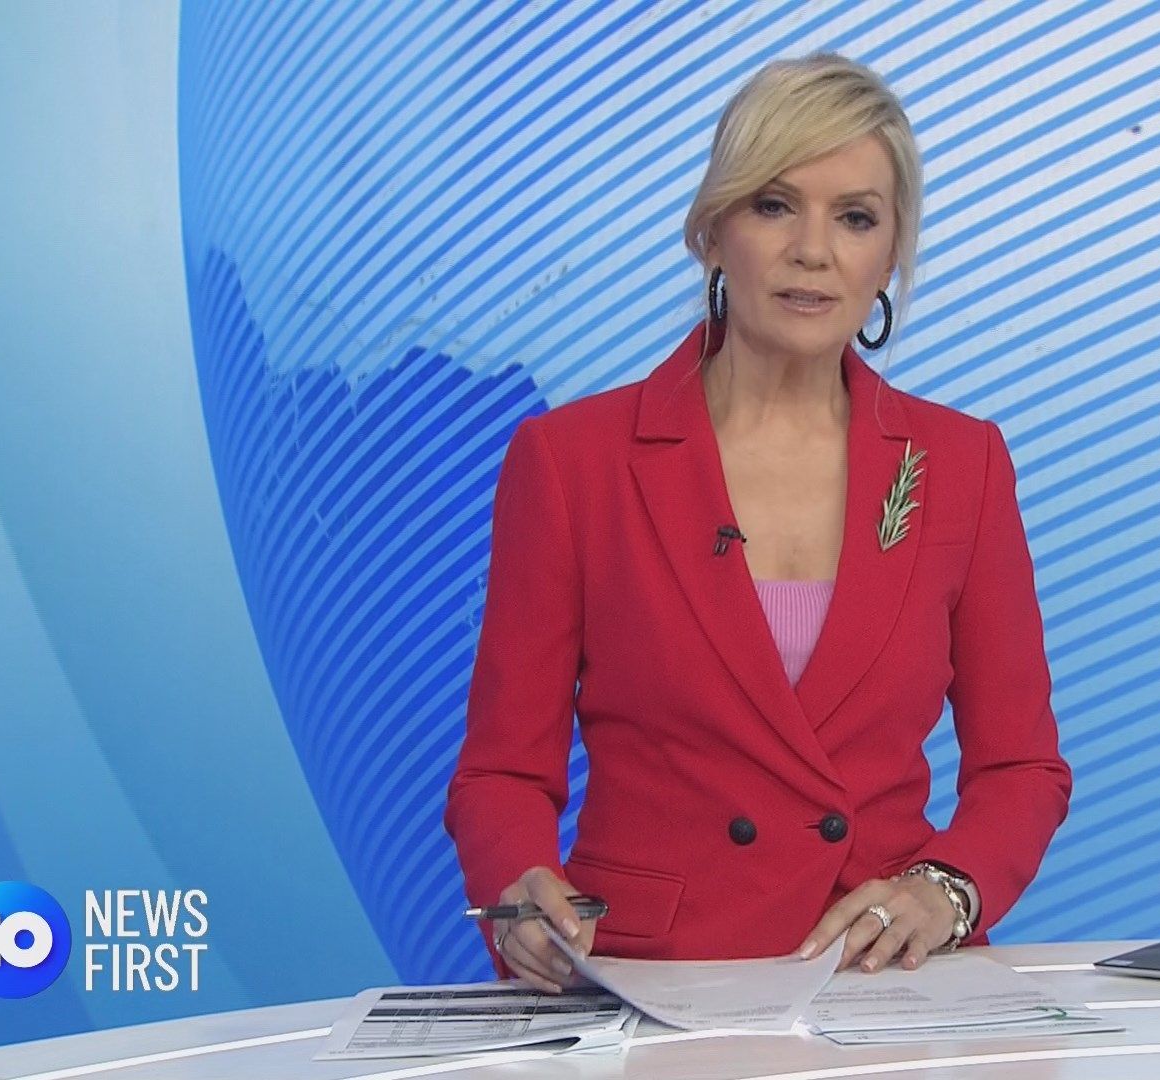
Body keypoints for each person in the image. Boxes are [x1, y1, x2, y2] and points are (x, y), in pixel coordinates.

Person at [444, 53, 1070, 994]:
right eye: (775, 205)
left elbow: (1022, 767)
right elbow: (501, 773)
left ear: (892, 253)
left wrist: (945, 891)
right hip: (656, 982)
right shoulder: (572, 463)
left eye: (854, 217)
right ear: (712, 230)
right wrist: (521, 894)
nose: (813, 250)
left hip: (881, 982)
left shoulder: (962, 464)